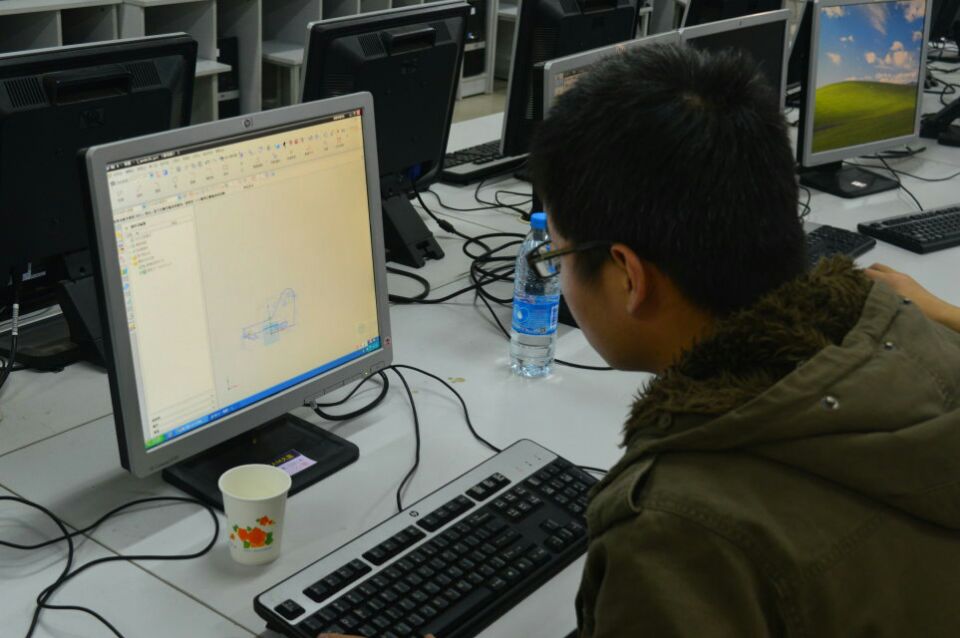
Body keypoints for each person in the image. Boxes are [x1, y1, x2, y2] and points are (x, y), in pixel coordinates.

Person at [320, 43, 960, 638]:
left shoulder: (680, 529)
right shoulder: (916, 345)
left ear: (629, 276)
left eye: (556, 253)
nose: (555, 271)